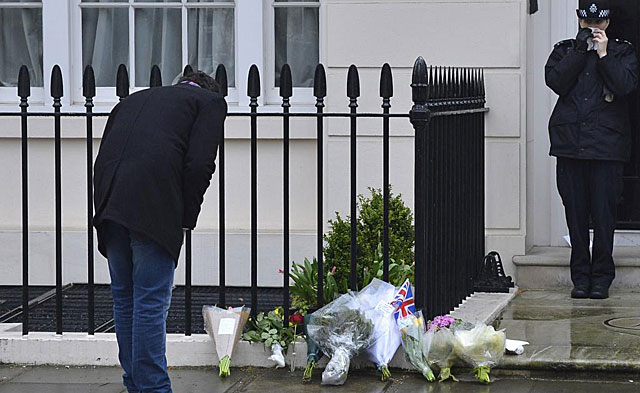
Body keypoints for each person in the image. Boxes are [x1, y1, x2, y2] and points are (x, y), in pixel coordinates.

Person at [93, 71, 227, 392]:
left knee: (125, 299)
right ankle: (154, 388)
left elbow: (108, 152)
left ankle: (136, 383)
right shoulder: (209, 102)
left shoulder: (133, 100)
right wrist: (185, 217)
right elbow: (199, 164)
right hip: (152, 201)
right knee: (151, 301)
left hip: (109, 198)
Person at [545, 0, 638, 300]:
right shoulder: (564, 50)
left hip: (607, 148)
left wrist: (603, 54)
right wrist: (579, 51)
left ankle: (601, 278)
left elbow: (624, 85)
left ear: (608, 23)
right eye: (588, 25)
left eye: (599, 25)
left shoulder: (623, 51)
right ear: (579, 21)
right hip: (570, 145)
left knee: (603, 215)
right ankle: (580, 278)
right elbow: (556, 81)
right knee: (576, 214)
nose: (593, 30)